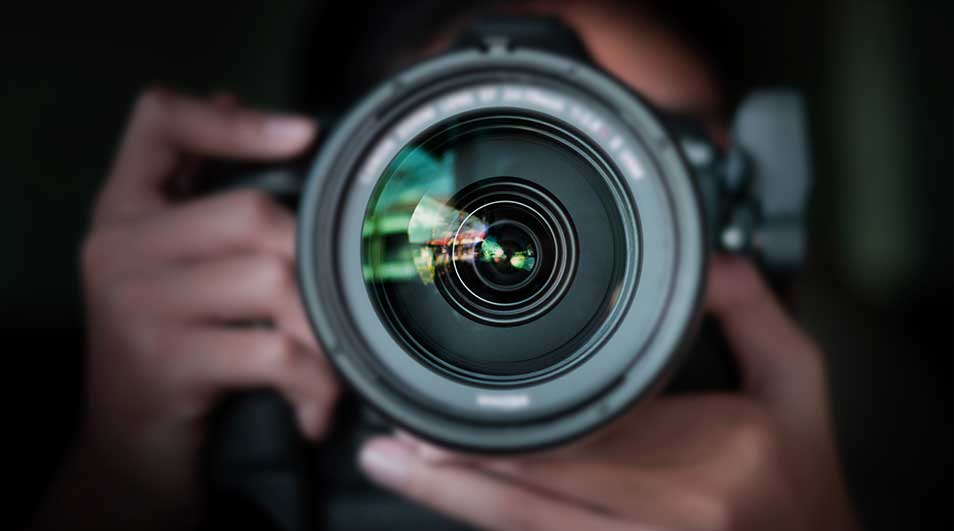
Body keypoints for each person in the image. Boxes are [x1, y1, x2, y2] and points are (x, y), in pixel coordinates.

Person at [30, 1, 859, 530]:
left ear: (749, 215)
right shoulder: (243, 453)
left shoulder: (868, 446)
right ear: (317, 212)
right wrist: (119, 488)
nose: (585, 226)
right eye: (450, 181)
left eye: (650, 163)